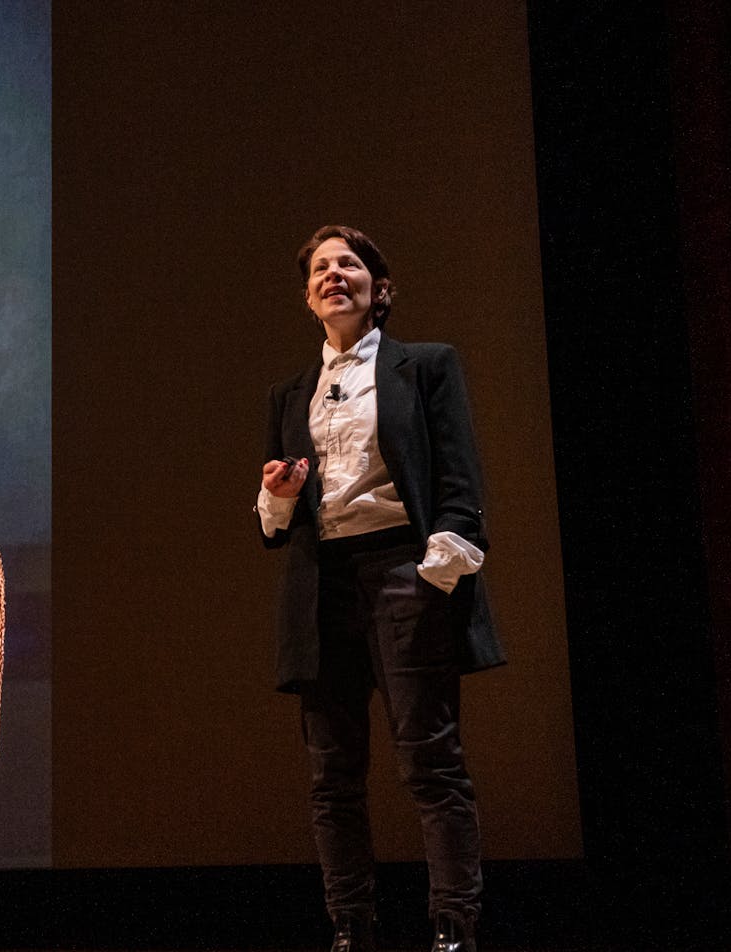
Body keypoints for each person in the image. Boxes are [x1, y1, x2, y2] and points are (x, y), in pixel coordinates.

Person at [258, 225, 505, 952]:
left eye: (350, 264)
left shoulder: (425, 366)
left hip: (404, 568)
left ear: (378, 286)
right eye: (321, 268)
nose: (335, 274)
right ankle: (350, 927)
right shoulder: (290, 393)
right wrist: (276, 493)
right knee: (333, 773)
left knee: (429, 759)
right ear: (308, 298)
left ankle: (452, 925)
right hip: (322, 582)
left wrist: (441, 567)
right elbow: (275, 526)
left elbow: (460, 480)